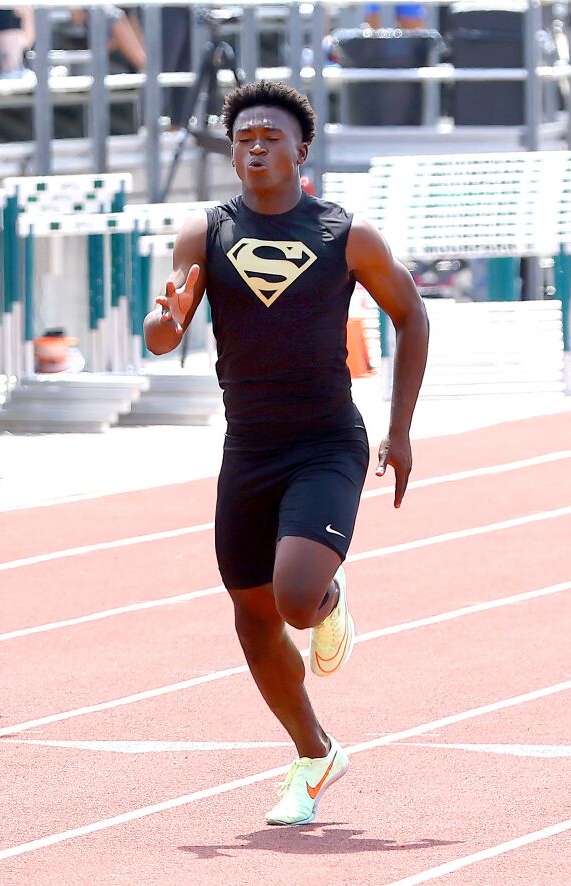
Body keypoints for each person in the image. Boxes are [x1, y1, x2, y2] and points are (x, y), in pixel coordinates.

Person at [143, 81, 428, 827]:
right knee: (252, 617)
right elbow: (161, 333)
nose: (257, 145)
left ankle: (330, 599)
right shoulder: (204, 233)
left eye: (271, 135)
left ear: (302, 150)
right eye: (243, 137)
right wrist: (167, 320)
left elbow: (412, 315)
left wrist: (399, 430)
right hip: (249, 448)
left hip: (326, 442)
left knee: (296, 596)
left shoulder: (346, 234)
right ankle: (314, 752)